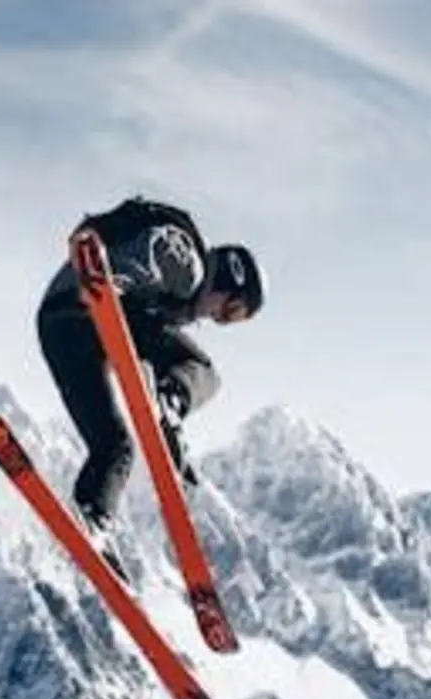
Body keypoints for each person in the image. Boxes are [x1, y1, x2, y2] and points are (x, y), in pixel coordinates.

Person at [35, 195, 265, 575]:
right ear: (229, 277)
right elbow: (154, 250)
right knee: (201, 368)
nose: (218, 319)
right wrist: (106, 289)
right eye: (231, 310)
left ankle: (93, 520)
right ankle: (173, 401)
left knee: (114, 446)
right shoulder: (188, 262)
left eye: (231, 320)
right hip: (90, 307)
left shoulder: (177, 297)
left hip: (58, 327)